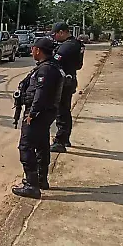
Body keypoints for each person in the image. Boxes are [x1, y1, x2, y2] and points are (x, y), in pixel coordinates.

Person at [11, 37, 65, 199]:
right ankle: (41, 180)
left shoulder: (46, 70)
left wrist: (32, 114)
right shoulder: (50, 67)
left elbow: (41, 93)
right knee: (42, 145)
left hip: (39, 113)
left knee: (26, 147)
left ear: (38, 50)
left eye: (33, 49)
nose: (31, 51)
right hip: (45, 113)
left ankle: (31, 185)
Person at [49, 22, 86, 153]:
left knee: (61, 112)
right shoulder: (75, 43)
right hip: (69, 80)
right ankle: (65, 138)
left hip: (64, 82)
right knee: (64, 110)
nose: (54, 37)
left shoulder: (68, 46)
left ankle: (60, 141)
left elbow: (54, 61)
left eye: (55, 34)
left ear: (62, 32)